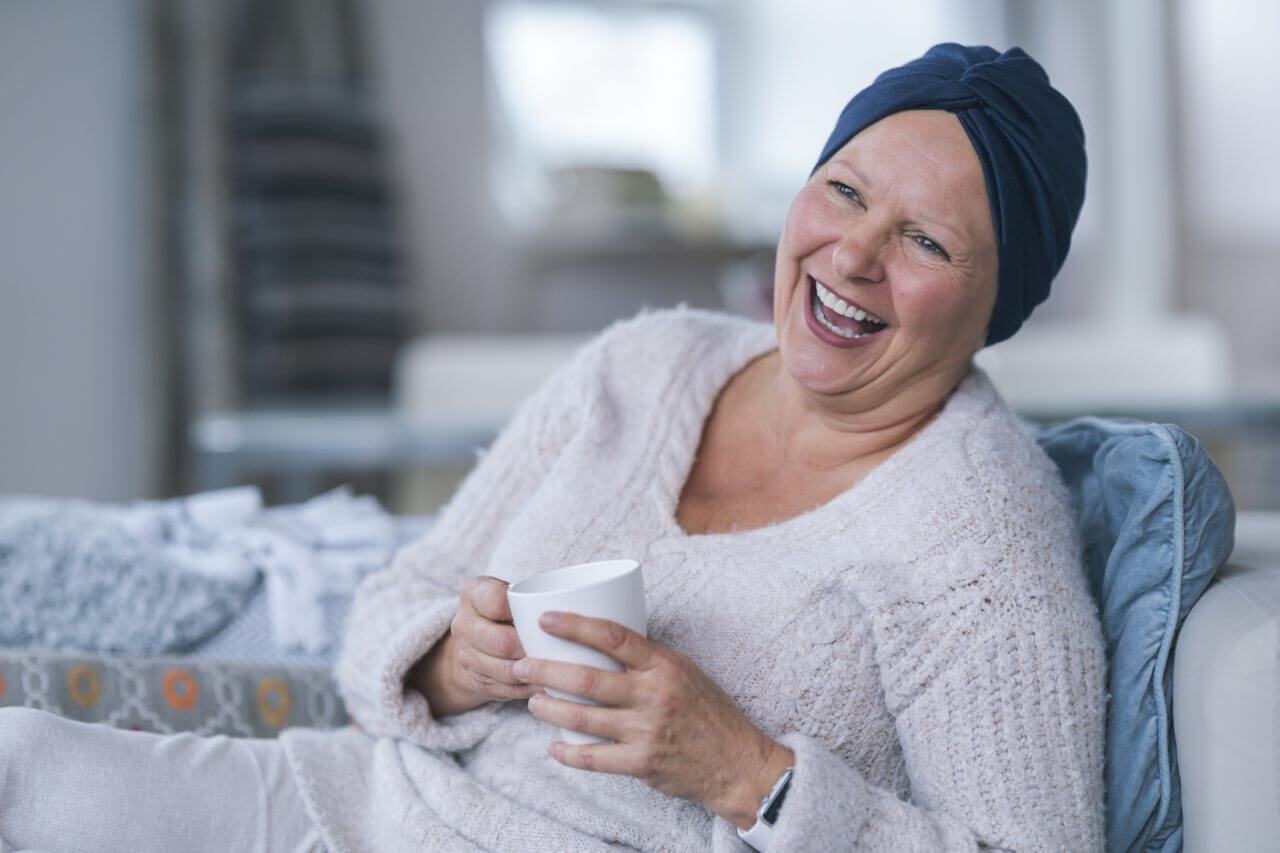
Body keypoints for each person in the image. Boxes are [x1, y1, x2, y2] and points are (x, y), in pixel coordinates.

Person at [0, 43, 1104, 852]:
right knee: (23, 766)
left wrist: (749, 775)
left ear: (997, 302)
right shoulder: (650, 363)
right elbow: (401, 595)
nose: (852, 255)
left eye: (922, 239)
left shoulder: (980, 538)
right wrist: (450, 659)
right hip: (358, 806)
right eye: (843, 191)